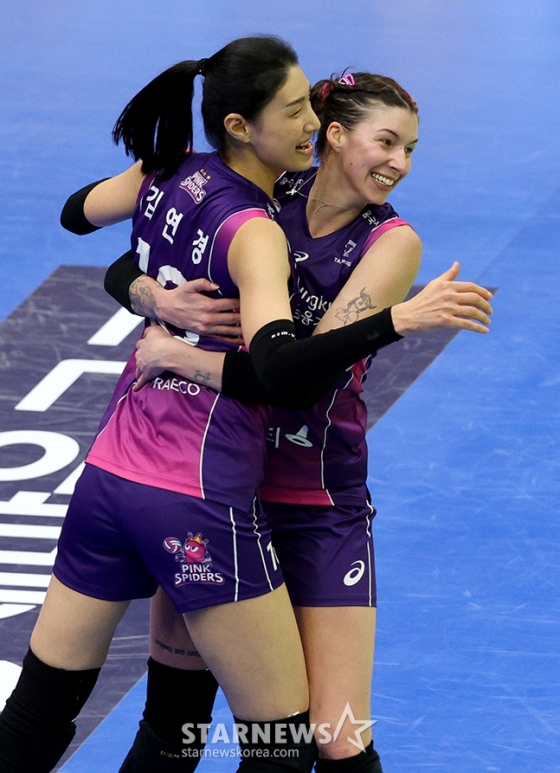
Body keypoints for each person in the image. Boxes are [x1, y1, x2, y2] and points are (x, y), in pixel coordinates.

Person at [0, 36, 492, 773]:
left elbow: (302, 377)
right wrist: (153, 296)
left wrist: (178, 355)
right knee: (180, 716)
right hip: (225, 486)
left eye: (410, 149)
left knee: (334, 736)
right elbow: (135, 257)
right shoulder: (266, 194)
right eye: (386, 141)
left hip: (315, 497)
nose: (400, 163)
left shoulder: (390, 243)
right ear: (333, 135)